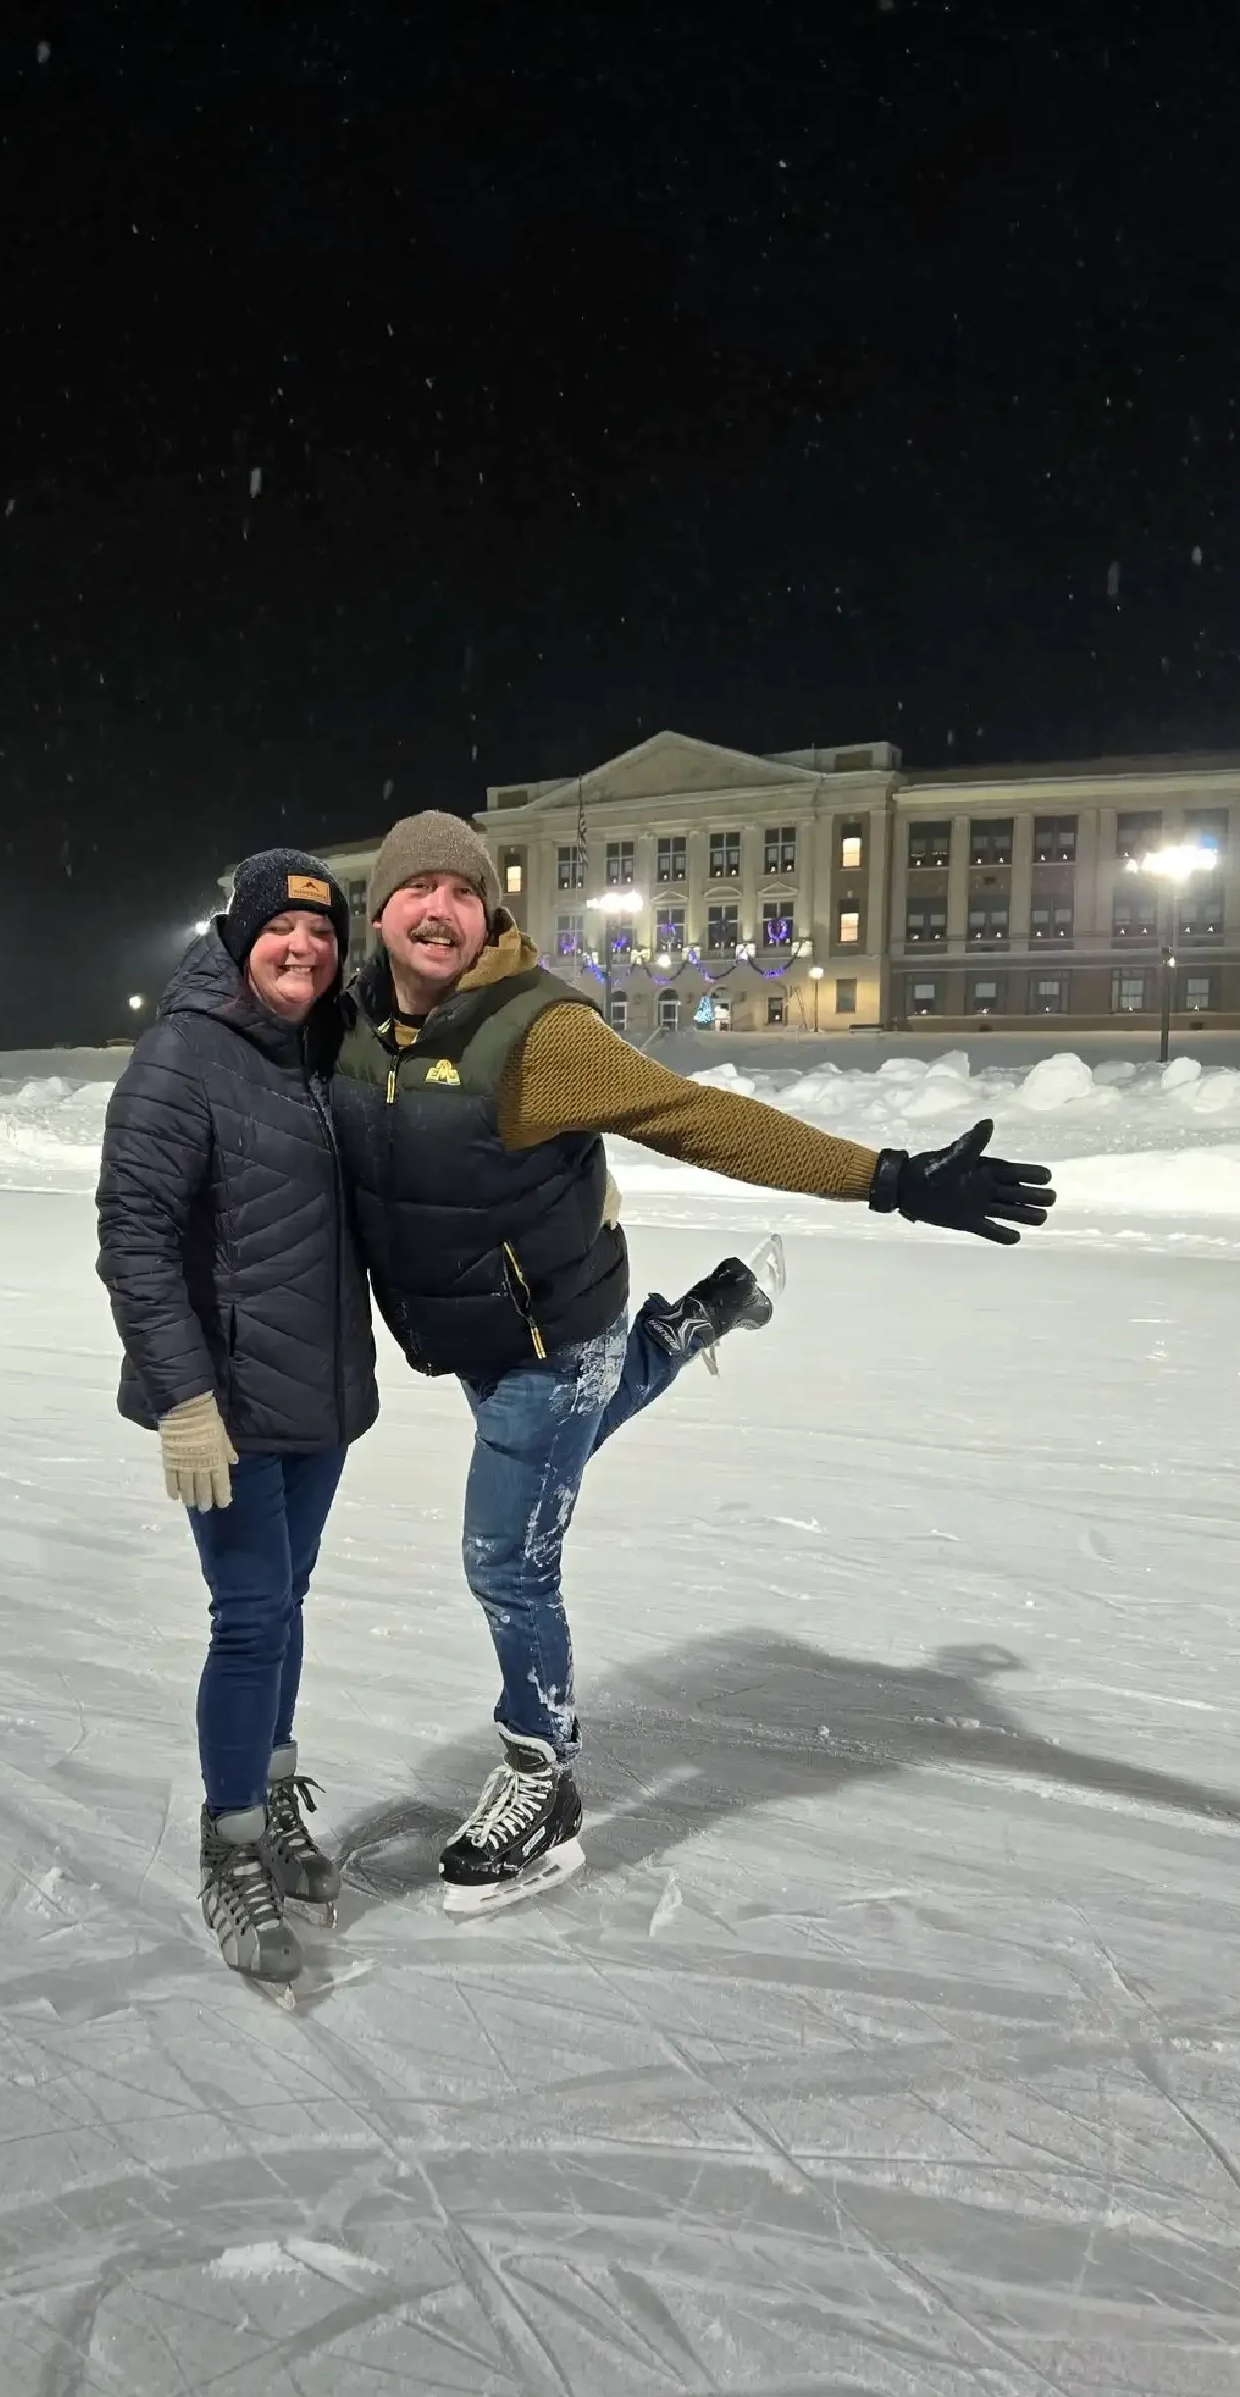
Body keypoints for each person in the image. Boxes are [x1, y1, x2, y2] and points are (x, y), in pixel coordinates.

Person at [328, 809, 1056, 1913]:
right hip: (480, 1330)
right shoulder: (353, 1027)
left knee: (507, 1557)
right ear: (377, 912)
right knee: (581, 1429)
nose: (439, 908)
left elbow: (699, 1116)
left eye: (464, 892)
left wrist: (892, 1177)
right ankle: (703, 1317)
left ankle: (543, 1774)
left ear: (490, 917)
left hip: (552, 1336)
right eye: (415, 889)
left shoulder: (538, 1036)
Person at [96, 850, 377, 1990]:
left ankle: (270, 1791)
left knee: (287, 1602)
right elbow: (135, 1237)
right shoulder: (181, 1055)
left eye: (320, 933)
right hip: (228, 1399)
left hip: (318, 1393)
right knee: (253, 1613)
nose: (301, 948)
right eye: (280, 932)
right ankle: (232, 1840)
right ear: (239, 936)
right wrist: (184, 1399)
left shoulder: (329, 1046)